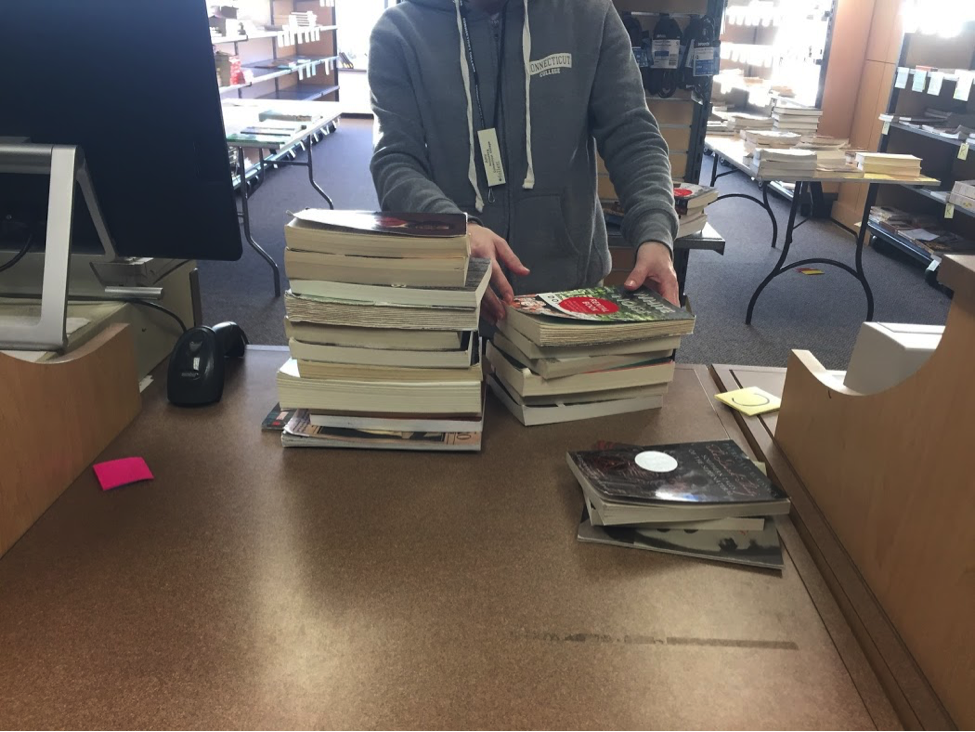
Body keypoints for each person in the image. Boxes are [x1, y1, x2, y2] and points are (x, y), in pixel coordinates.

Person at [369, 0, 680, 322]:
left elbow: (632, 136)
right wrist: (453, 227)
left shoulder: (589, 14)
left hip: (570, 292)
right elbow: (395, 159)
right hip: (453, 288)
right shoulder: (400, 31)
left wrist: (655, 233)